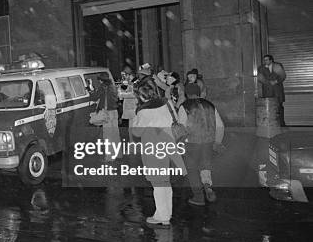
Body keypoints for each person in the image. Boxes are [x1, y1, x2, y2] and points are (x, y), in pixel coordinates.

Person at [130, 77, 179, 226]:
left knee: (158, 184)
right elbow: (175, 120)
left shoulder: (144, 111)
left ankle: (162, 217)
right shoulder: (167, 102)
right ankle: (165, 213)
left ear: (142, 96)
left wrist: (134, 120)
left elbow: (137, 134)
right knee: (165, 181)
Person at [177, 94, 225, 206]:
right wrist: (217, 141)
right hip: (208, 142)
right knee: (205, 165)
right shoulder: (210, 105)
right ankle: (207, 186)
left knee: (192, 169)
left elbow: (181, 127)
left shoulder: (185, 106)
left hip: (191, 142)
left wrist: (180, 144)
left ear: (187, 94)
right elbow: (220, 125)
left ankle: (198, 197)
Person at [92, 72, 120, 161]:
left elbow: (95, 97)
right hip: (115, 112)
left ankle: (109, 157)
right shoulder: (113, 86)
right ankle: (118, 154)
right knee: (115, 134)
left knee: (108, 136)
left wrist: (91, 90)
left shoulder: (102, 87)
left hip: (107, 113)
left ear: (101, 80)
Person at [257, 54, 286, 126]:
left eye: (266, 60)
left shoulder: (277, 66)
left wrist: (276, 81)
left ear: (271, 60)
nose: (265, 61)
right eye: (264, 60)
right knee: (269, 107)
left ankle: (281, 124)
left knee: (279, 106)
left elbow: (283, 76)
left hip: (277, 90)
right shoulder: (261, 68)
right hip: (267, 90)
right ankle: (271, 124)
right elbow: (260, 79)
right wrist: (269, 82)